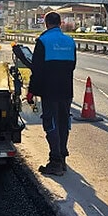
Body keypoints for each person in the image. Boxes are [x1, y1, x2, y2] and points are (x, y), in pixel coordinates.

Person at [26, 12, 77, 176]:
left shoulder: (43, 41)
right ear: (60, 23)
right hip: (66, 90)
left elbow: (37, 70)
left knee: (51, 123)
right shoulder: (70, 41)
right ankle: (62, 158)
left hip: (49, 90)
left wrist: (31, 90)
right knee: (63, 122)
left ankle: (55, 162)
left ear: (46, 23)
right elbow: (72, 66)